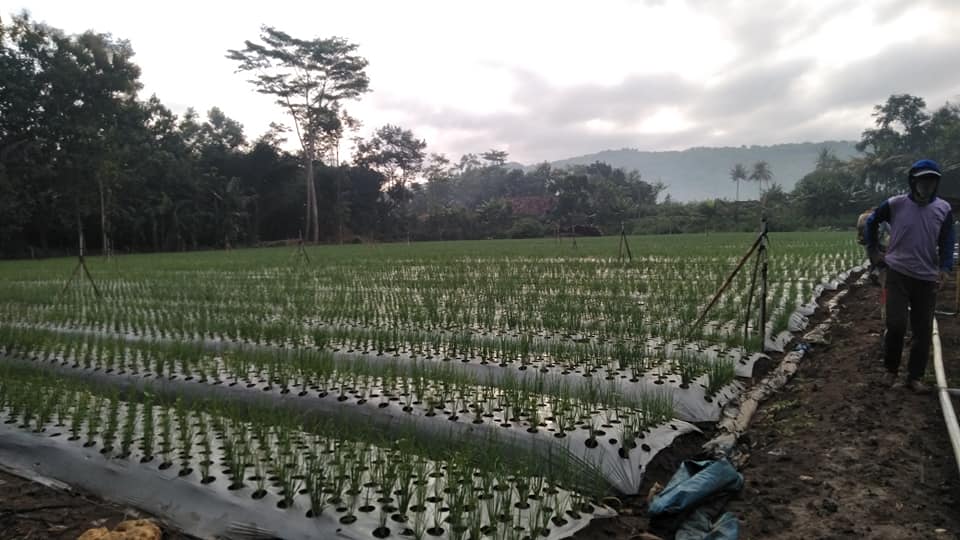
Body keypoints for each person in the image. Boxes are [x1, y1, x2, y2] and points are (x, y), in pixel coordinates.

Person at [865, 159, 954, 393]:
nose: (927, 185)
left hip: (926, 277)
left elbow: (947, 240)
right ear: (913, 181)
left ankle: (914, 377)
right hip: (898, 273)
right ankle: (890, 371)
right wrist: (874, 251)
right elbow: (871, 222)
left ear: (936, 183)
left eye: (932, 180)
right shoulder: (896, 204)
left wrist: (945, 268)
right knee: (896, 324)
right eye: (923, 180)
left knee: (922, 330)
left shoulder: (943, 209)